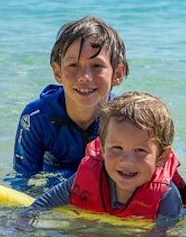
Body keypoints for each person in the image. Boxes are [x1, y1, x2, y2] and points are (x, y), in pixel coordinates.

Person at [19, 91, 186, 237]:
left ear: (161, 156)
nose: (126, 160)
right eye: (117, 148)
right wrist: (21, 223)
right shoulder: (88, 176)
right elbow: (44, 203)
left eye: (140, 151)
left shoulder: (166, 196)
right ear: (101, 148)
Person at [13, 15, 128, 179]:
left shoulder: (124, 120)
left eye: (96, 66)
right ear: (57, 72)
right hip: (52, 186)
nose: (84, 77)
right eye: (73, 65)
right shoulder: (36, 117)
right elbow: (22, 179)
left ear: (117, 74)